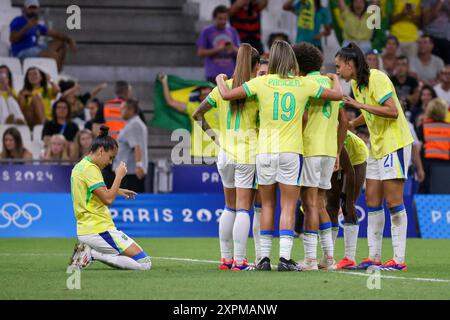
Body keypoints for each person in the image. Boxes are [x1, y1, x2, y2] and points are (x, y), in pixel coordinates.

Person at [215, 40, 343, 272]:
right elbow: (337, 96)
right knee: (287, 206)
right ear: (292, 61)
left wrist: (219, 80)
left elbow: (226, 95)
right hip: (290, 152)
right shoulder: (302, 84)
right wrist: (335, 80)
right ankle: (284, 259)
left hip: (264, 152)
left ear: (272, 59)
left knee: (267, 206)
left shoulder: (261, 82)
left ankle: (263, 258)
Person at [336, 42, 414, 271]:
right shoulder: (356, 83)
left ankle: (399, 260)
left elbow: (392, 111)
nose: (338, 70)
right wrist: (352, 123)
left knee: (393, 201)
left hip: (394, 144)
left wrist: (358, 105)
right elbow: (369, 109)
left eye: (340, 66)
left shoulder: (376, 78)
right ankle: (374, 256)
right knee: (371, 200)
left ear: (351, 64)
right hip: (377, 146)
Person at [193, 43, 261, 271]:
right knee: (243, 208)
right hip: (247, 155)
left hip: (224, 155)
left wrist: (216, 138)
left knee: (229, 207)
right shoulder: (255, 89)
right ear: (256, 66)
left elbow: (197, 114)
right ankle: (240, 262)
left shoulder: (222, 87)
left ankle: (226, 259)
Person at [292, 42, 348, 271]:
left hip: (310, 149)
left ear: (297, 65)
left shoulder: (302, 84)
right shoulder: (330, 82)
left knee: (309, 204)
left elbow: (303, 117)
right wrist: (337, 150)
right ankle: (330, 259)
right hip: (327, 150)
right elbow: (343, 120)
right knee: (321, 204)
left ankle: (311, 260)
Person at [69, 126, 151, 271]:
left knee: (140, 260)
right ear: (101, 151)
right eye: (111, 157)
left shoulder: (80, 166)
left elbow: (92, 193)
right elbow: (107, 200)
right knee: (144, 263)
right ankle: (92, 254)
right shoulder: (91, 169)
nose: (110, 162)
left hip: (87, 228)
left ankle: (88, 251)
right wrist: (119, 176)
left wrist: (116, 190)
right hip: (98, 229)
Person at [327, 131, 368, 269]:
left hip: (355, 159)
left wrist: (348, 198)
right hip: (334, 159)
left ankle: (349, 258)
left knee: (346, 206)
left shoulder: (332, 134)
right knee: (331, 206)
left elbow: (349, 171)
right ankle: (329, 257)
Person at [158, 73, 218, 159]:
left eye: (208, 93)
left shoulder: (220, 106)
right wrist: (164, 82)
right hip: (197, 153)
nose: (205, 93)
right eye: (203, 91)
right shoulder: (193, 107)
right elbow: (170, 102)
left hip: (217, 153)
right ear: (199, 94)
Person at [9, 0, 77, 72]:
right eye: (30, 8)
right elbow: (12, 39)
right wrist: (27, 27)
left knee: (60, 42)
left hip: (35, 48)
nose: (32, 11)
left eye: (34, 8)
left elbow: (55, 34)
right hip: (21, 52)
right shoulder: (17, 20)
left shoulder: (37, 24)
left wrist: (69, 39)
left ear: (38, 9)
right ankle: (52, 75)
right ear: (25, 9)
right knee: (50, 53)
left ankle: (57, 73)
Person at [197, 5, 241, 83]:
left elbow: (240, 53)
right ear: (214, 18)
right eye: (220, 19)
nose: (223, 22)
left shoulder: (233, 31)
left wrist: (232, 48)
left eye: (225, 19)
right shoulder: (206, 31)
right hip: (212, 75)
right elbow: (200, 53)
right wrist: (219, 49)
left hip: (230, 74)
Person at [112, 99, 148, 193]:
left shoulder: (134, 124)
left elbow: (137, 146)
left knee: (132, 202)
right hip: (128, 172)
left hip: (130, 174)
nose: (120, 110)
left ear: (131, 110)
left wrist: (139, 165)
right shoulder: (133, 123)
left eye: (122, 108)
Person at [417, 98, 450, 193]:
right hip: (446, 164)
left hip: (427, 165)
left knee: (426, 191)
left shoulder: (423, 126)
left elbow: (418, 148)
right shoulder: (449, 127)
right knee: (445, 191)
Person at [421, 0, 450, 65]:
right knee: (433, 67)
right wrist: (440, 2)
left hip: (447, 38)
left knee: (447, 70)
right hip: (431, 38)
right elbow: (426, 20)